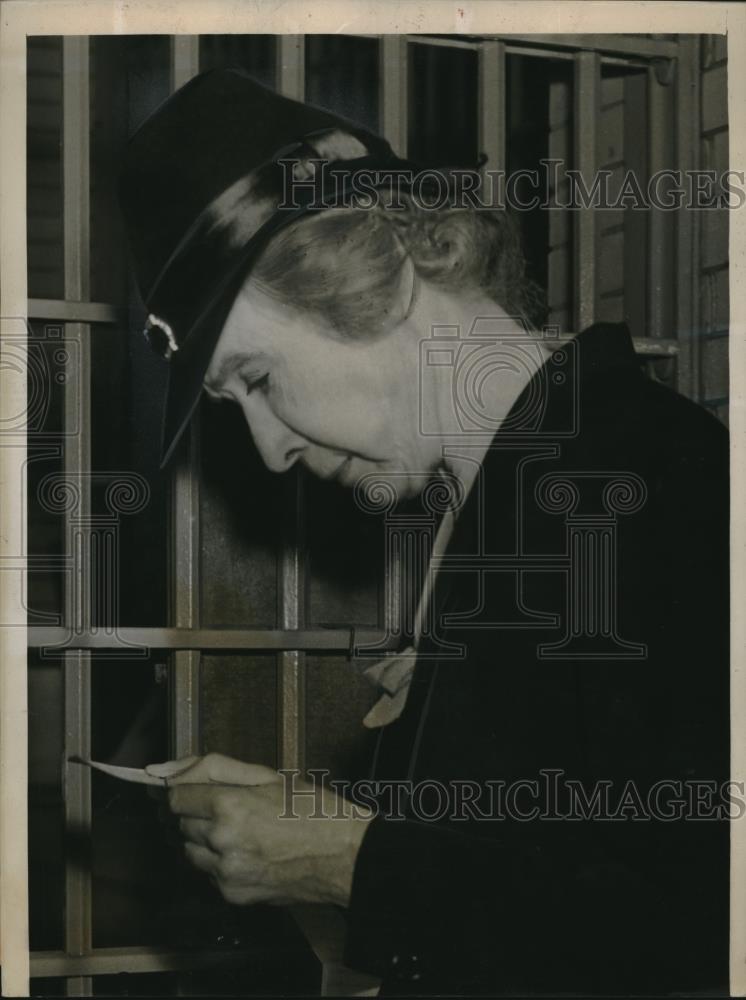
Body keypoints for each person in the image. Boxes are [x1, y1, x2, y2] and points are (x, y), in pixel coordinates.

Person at [120, 68, 730, 996]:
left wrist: (347, 862)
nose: (270, 449)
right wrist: (314, 833)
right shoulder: (508, 499)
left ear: (378, 277)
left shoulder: (642, 479)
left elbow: (703, 930)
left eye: (256, 380)